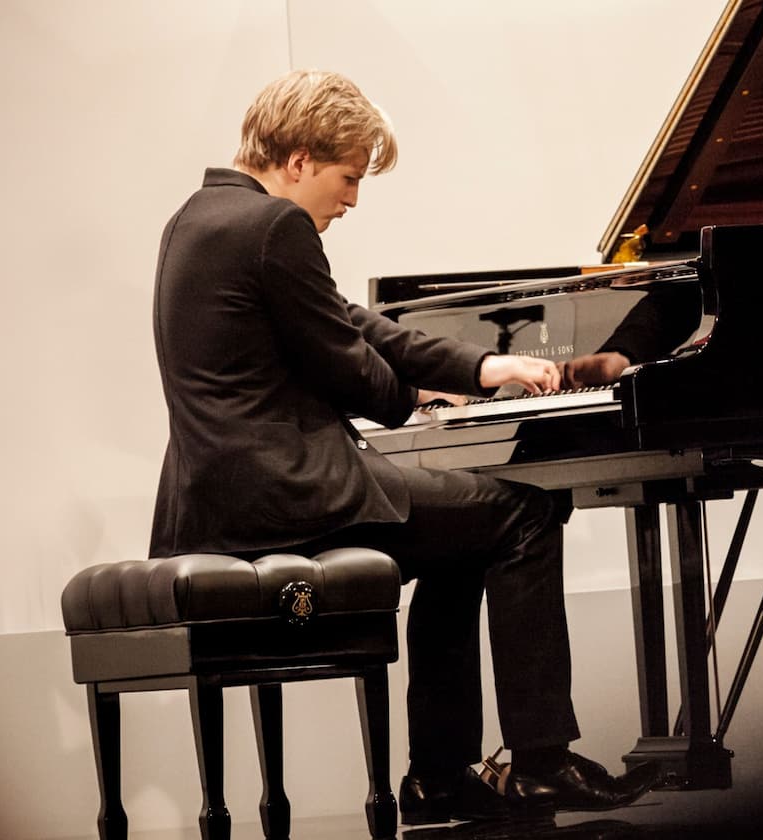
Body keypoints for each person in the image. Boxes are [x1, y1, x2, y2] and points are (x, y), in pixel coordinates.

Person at [149, 68, 657, 823]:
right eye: (348, 178)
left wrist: (486, 367)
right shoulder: (273, 228)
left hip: (215, 505)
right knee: (523, 515)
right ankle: (541, 761)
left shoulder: (199, 218)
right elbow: (357, 371)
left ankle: (440, 779)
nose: (350, 201)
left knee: (467, 533)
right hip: (288, 499)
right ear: (298, 160)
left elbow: (352, 324)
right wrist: (420, 395)